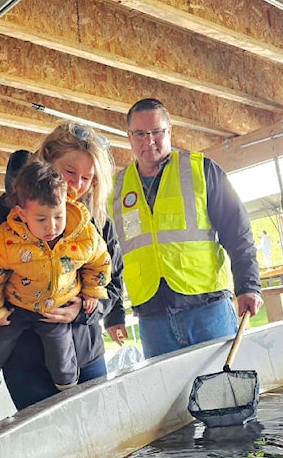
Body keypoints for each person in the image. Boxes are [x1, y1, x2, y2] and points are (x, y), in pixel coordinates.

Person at [0, 123, 126, 411]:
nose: (77, 185)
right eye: (69, 172)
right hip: (25, 360)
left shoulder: (97, 221)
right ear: (47, 159)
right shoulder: (6, 212)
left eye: (87, 178)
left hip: (86, 353)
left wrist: (86, 311)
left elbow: (113, 282)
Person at [111, 98, 262, 359]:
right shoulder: (115, 189)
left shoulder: (201, 170)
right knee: (170, 398)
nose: (149, 141)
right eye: (140, 134)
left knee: (224, 391)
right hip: (152, 320)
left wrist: (248, 284)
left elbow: (238, 231)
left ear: (169, 131)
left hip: (207, 310)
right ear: (129, 137)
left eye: (157, 132)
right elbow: (107, 256)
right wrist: (113, 313)